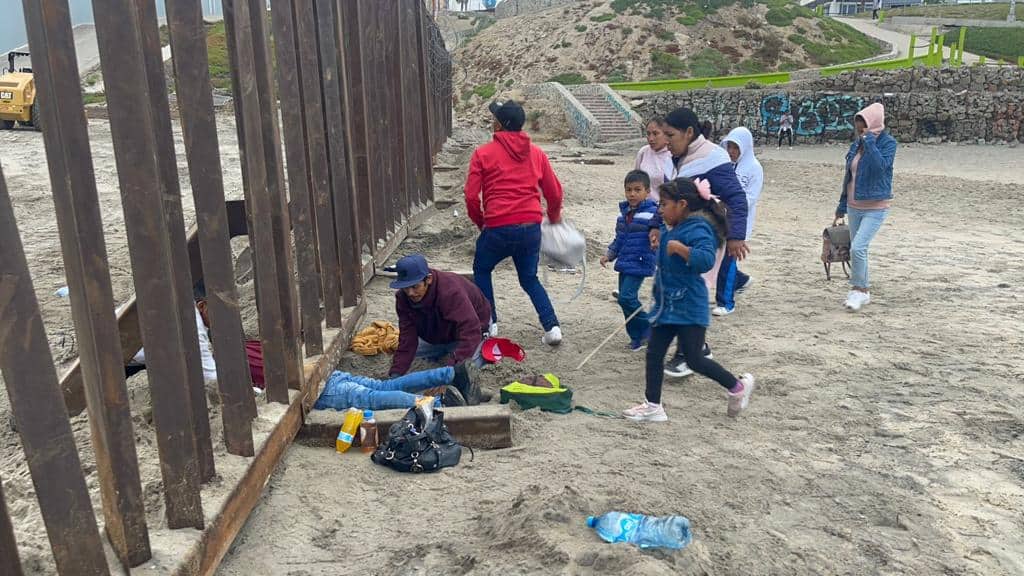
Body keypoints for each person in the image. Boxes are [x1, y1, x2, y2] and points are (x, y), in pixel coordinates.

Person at [623, 178, 755, 422]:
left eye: (664, 205)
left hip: (690, 306)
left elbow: (705, 259)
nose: (660, 210)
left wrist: (681, 249)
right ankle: (653, 405)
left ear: (682, 204)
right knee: (654, 353)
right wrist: (659, 244)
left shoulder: (698, 228)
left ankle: (737, 387)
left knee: (694, 358)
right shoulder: (670, 228)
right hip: (666, 306)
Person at [465, 99, 564, 346]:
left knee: (482, 269)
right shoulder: (537, 153)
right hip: (531, 226)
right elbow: (555, 193)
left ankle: (489, 325)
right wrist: (553, 219)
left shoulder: (483, 153)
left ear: (498, 124)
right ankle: (552, 327)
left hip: (498, 225)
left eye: (494, 118)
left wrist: (481, 223)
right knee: (529, 278)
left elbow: (469, 196)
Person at [661, 107, 748, 378]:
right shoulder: (682, 156)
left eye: (670, 135)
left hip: (703, 235)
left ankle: (689, 353)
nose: (666, 141)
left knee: (688, 289)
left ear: (689, 133)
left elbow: (737, 198)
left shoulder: (713, 157)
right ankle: (697, 347)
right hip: (684, 232)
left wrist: (735, 237)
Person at [126, 281, 265, 389]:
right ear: (202, 306)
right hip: (118, 356)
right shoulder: (190, 322)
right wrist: (253, 391)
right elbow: (210, 378)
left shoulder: (179, 306)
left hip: (131, 355)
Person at [389, 254, 491, 383]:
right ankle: (446, 350)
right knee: (407, 357)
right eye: (405, 288)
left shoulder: (450, 292)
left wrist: (449, 370)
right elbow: (407, 337)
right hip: (438, 334)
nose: (410, 293)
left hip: (475, 327)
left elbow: (471, 330)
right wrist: (396, 374)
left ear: (429, 279)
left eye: (415, 286)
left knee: (465, 369)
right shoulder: (402, 299)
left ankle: (481, 344)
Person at [834, 102, 896, 312]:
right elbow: (848, 177)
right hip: (853, 205)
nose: (860, 129)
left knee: (858, 247)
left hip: (876, 206)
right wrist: (841, 207)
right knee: (860, 249)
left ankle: (859, 290)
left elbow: (880, 167)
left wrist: (870, 141)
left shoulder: (888, 143)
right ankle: (862, 290)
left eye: (864, 124)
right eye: (858, 125)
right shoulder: (856, 145)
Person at [600, 170, 659, 351]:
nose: (632, 194)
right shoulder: (623, 214)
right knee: (624, 301)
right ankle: (637, 337)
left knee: (627, 297)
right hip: (625, 261)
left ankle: (649, 327)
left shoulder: (653, 213)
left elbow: (661, 230)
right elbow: (619, 239)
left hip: (641, 260)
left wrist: (656, 238)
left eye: (637, 190)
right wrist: (609, 254)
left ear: (647, 191)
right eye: (628, 190)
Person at [714, 126, 764, 316]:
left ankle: (726, 302)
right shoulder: (726, 166)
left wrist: (730, 204)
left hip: (738, 222)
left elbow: (750, 198)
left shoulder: (754, 168)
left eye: (736, 147)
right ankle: (740, 281)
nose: (732, 151)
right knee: (720, 259)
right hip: (720, 218)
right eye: (729, 147)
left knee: (728, 260)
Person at [314, 362, 481, 412]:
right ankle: (452, 373)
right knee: (384, 386)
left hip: (321, 390)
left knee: (372, 398)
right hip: (329, 374)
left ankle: (440, 403)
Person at [634, 117, 673, 203]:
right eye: (648, 134)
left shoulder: (672, 155)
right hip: (643, 206)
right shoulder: (643, 152)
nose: (651, 138)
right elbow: (635, 180)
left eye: (655, 134)